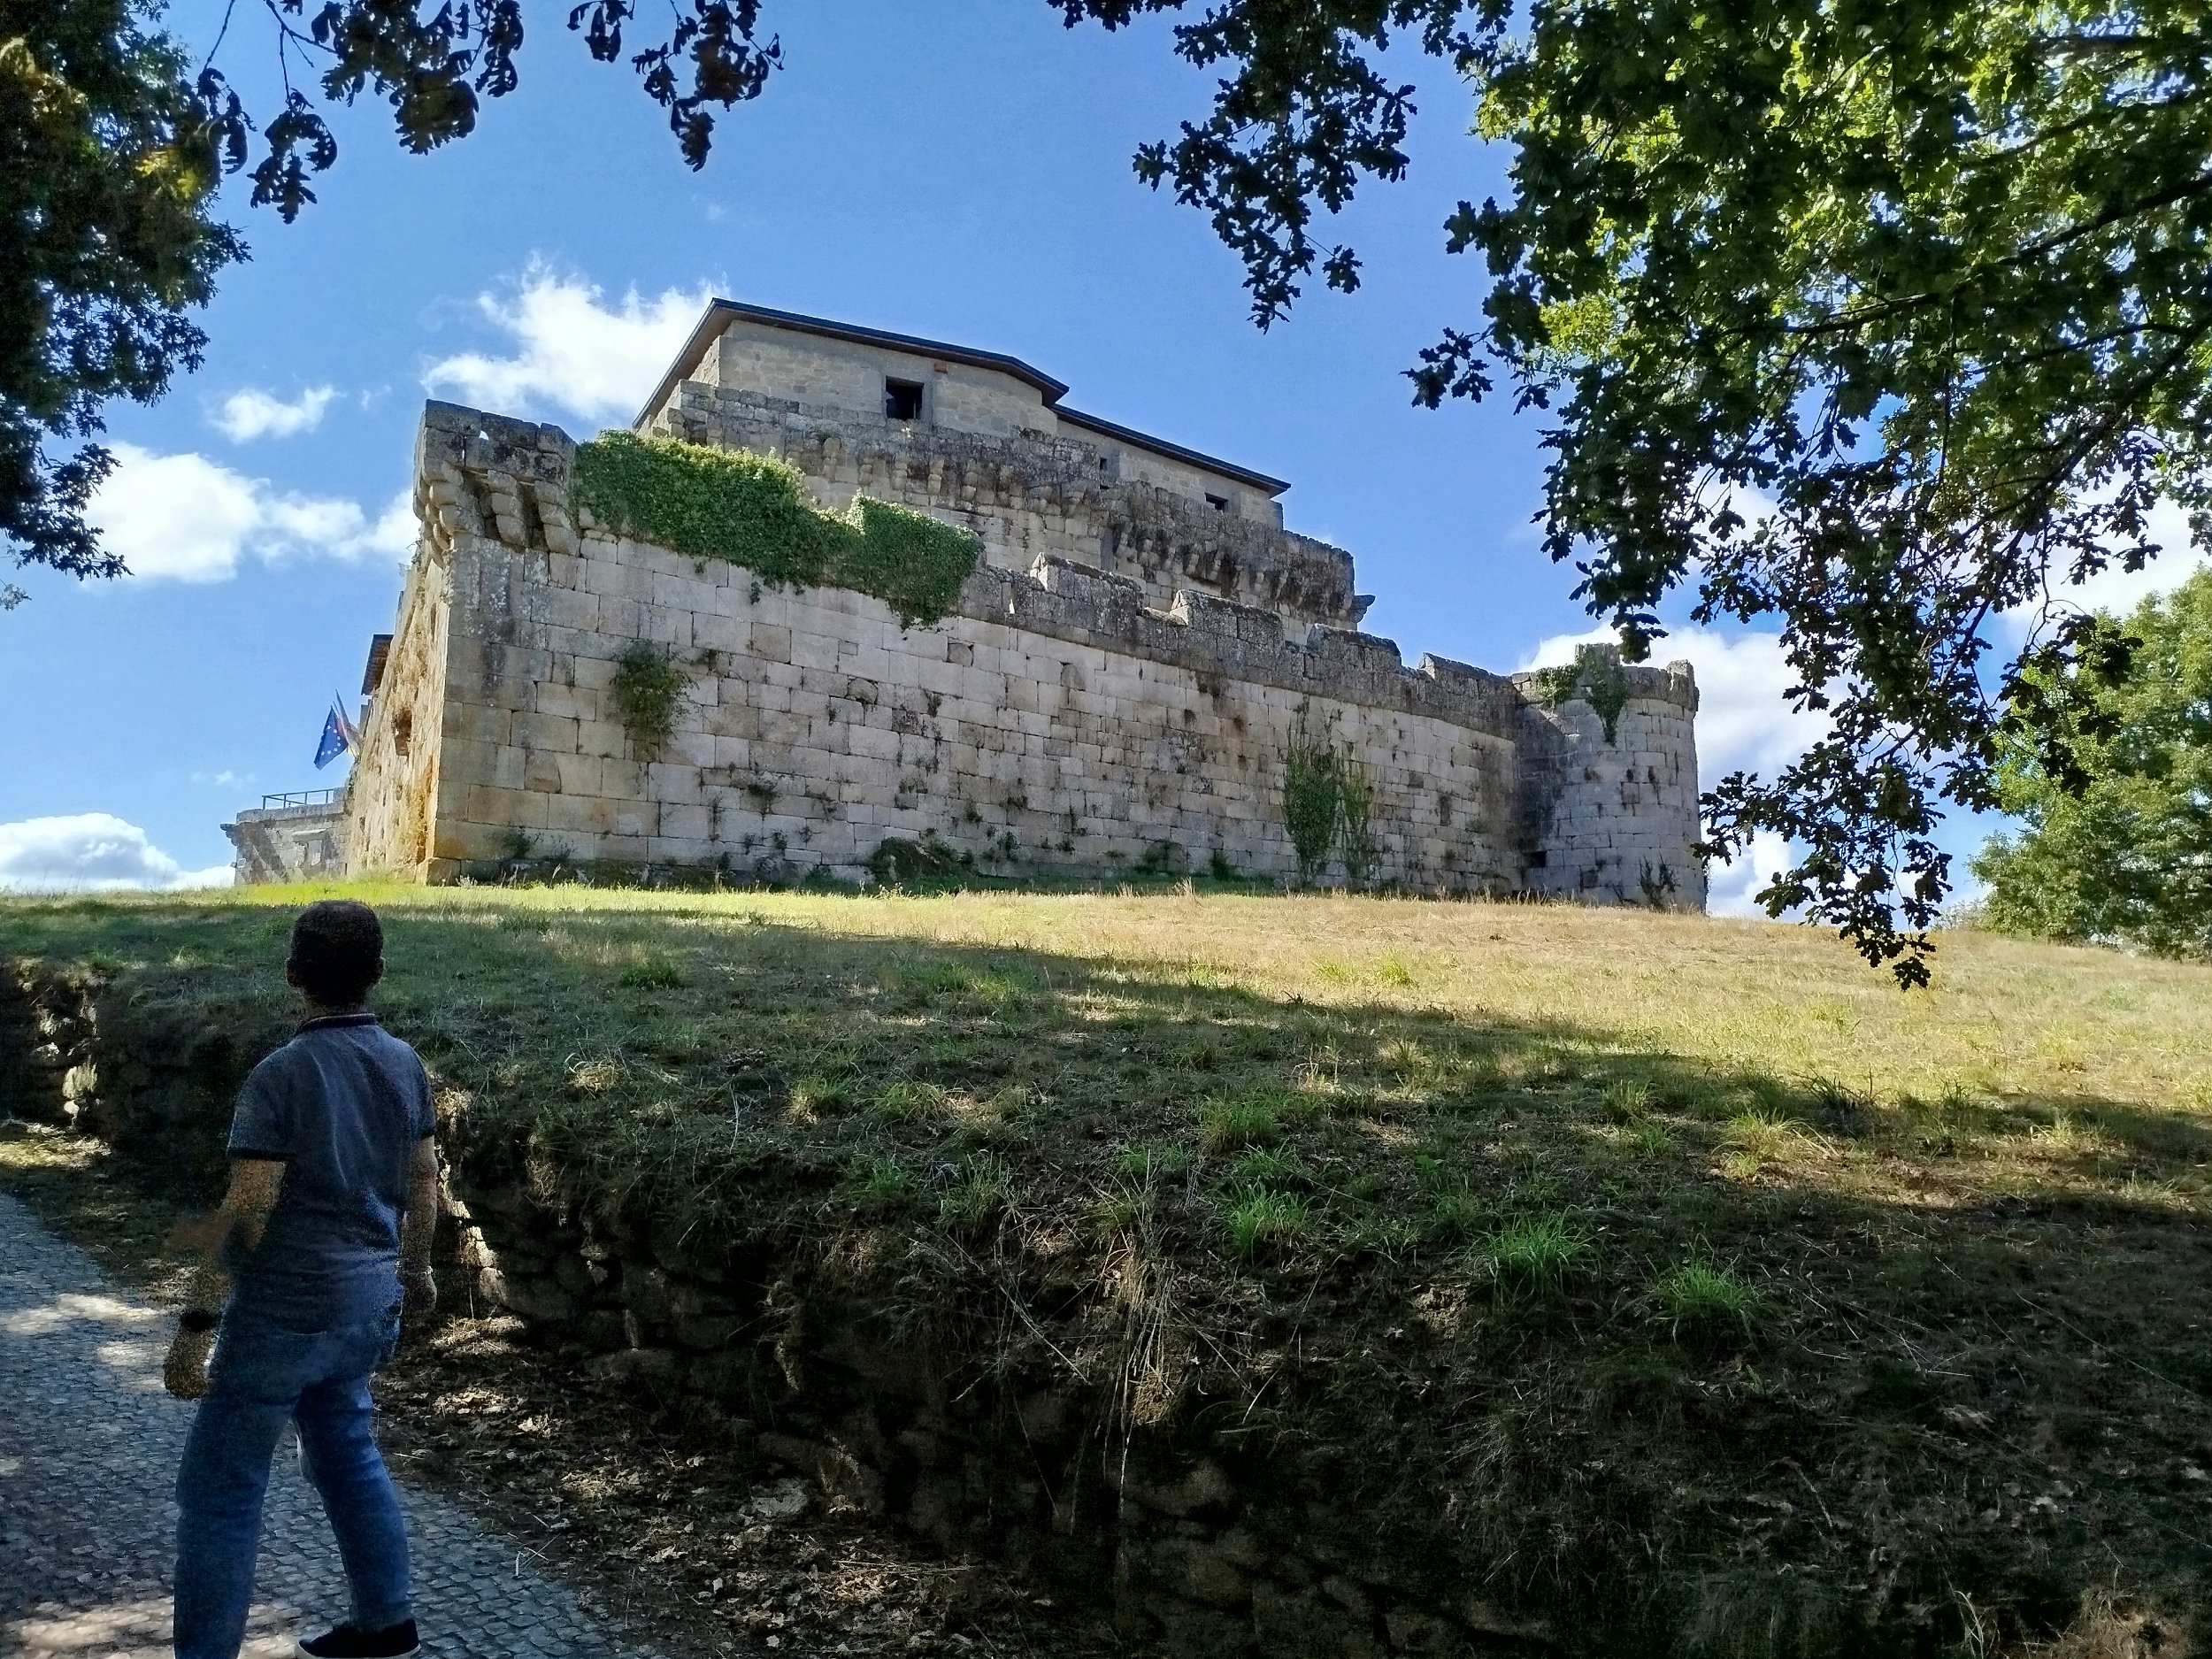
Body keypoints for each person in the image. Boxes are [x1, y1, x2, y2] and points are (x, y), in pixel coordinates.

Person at [163, 899, 439, 1659]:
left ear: (293, 975)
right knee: (348, 1453)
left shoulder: (279, 1075)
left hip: (279, 1317)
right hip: (365, 1308)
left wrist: (195, 1324)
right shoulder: (405, 1062)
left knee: (220, 1490)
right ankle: (387, 1623)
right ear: (378, 972)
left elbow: (246, 1207)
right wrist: (416, 1270)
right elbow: (424, 1178)